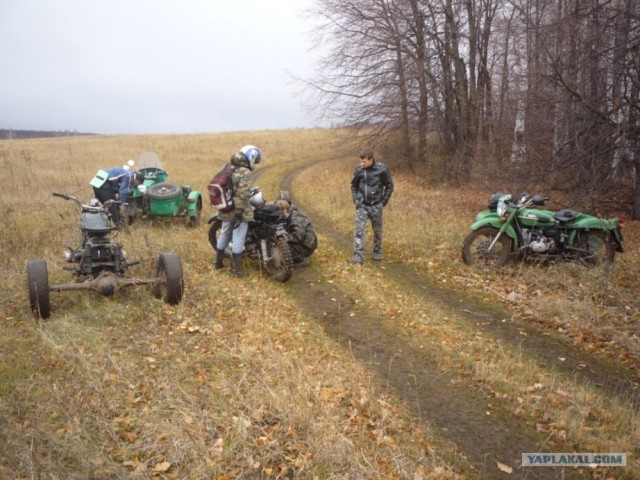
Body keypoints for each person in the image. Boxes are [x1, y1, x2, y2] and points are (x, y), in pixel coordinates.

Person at [214, 145, 262, 277]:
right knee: (238, 239)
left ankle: (218, 263)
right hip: (238, 211)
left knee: (224, 234)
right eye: (255, 160)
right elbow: (243, 194)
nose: (255, 164)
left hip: (224, 208)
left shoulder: (225, 168)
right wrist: (240, 213)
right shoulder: (244, 172)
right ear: (250, 157)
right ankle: (235, 271)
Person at [350, 149, 394, 263]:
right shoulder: (359, 170)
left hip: (376, 205)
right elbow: (353, 185)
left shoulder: (382, 170)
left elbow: (389, 186)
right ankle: (358, 256)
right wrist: (356, 198)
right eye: (361, 161)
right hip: (362, 205)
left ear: (371, 159)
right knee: (359, 231)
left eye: (364, 161)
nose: (362, 163)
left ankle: (377, 252)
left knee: (377, 231)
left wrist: (383, 202)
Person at [275, 191, 318, 267]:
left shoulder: (295, 217)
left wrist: (284, 238)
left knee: (283, 247)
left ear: (285, 209)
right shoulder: (291, 214)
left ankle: (300, 260)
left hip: (307, 245)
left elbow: (298, 236)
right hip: (306, 243)